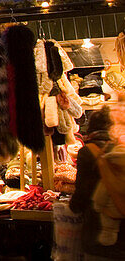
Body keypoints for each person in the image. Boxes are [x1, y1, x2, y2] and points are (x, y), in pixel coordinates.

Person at [71, 107, 125, 259]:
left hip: (97, 232)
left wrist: (72, 205)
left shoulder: (87, 152)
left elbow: (81, 196)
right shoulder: (121, 150)